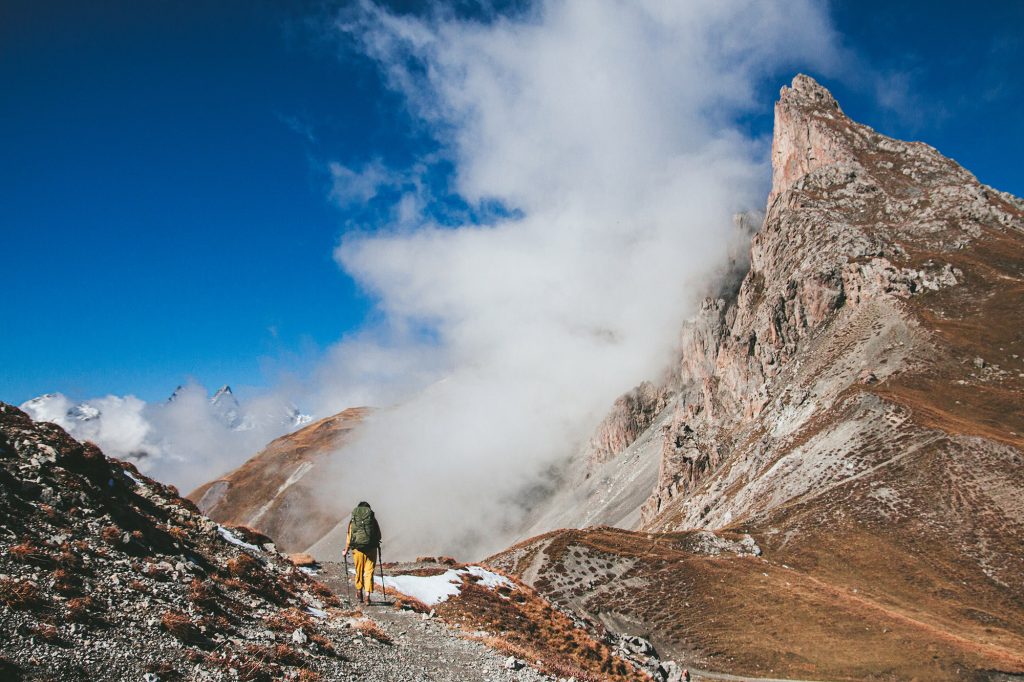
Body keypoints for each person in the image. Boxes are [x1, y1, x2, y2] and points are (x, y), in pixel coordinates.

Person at [343, 501, 381, 604]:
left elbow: (349, 536)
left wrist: (346, 550)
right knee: (369, 572)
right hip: (371, 549)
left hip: (357, 549)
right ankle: (367, 596)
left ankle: (359, 591)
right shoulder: (372, 520)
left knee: (359, 570)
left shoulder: (354, 520)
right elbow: (379, 535)